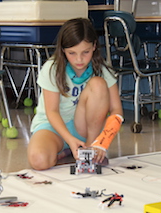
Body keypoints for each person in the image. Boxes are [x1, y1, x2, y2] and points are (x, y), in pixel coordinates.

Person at [28, 18, 123, 170]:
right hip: (52, 127)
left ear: (94, 46)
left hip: (84, 128)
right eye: (72, 53)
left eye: (85, 52)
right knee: (39, 161)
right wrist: (69, 139)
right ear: (63, 50)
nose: (79, 59)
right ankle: (68, 148)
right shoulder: (52, 68)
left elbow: (117, 110)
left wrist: (102, 143)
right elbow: (51, 112)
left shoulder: (103, 71)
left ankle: (90, 149)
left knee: (98, 84)